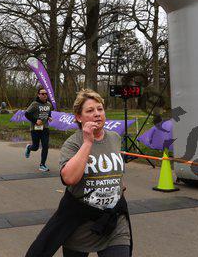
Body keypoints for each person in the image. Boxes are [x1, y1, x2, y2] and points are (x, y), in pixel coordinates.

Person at [26, 89, 132, 257]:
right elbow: (69, 178)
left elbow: (114, 169)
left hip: (113, 222)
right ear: (78, 117)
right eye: (90, 110)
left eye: (100, 109)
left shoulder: (114, 138)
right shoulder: (73, 143)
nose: (97, 114)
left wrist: (116, 184)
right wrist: (88, 142)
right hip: (80, 225)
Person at [24, 87, 53, 172]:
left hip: (45, 128)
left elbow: (48, 113)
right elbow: (26, 114)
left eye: (46, 94)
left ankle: (42, 165)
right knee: (35, 147)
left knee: (45, 146)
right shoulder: (35, 104)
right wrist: (35, 120)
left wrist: (49, 117)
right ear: (38, 95)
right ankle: (29, 148)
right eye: (42, 94)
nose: (45, 95)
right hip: (35, 129)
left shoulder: (49, 104)